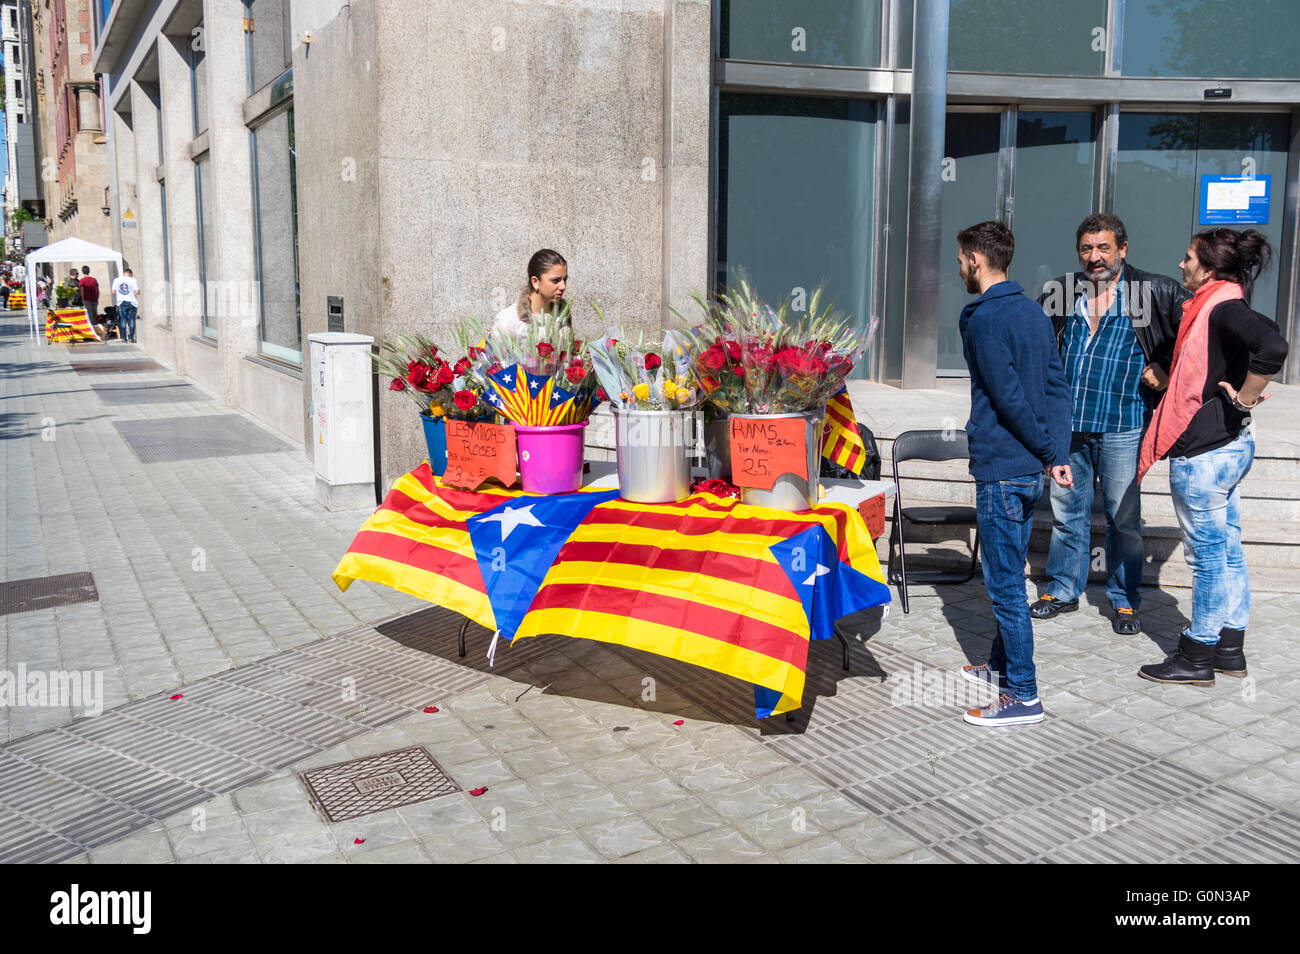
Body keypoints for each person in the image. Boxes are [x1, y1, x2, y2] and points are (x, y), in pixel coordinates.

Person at [1136, 228, 1288, 686]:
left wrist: (1244, 398)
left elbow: (1273, 346)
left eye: (1188, 259)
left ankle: (1197, 655)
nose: (1181, 265)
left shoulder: (1221, 308)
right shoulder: (1218, 306)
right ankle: (1229, 648)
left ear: (1209, 268)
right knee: (1228, 551)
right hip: (1230, 447)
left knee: (1207, 560)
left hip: (1204, 454)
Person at [1033, 214, 1189, 635]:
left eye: (1103, 248)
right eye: (1087, 248)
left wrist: (1167, 370)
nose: (1094, 257)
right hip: (1070, 427)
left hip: (1124, 425)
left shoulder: (1154, 291)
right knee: (1067, 513)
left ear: (1123, 249)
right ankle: (1062, 588)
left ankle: (1123, 599)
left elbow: (1194, 339)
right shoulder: (1061, 292)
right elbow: (1038, 347)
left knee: (1123, 519)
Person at [955, 221, 1073, 727]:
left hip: (1005, 467)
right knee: (1013, 573)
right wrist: (1057, 453)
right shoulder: (1031, 312)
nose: (959, 267)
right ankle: (1000, 665)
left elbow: (1009, 399)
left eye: (961, 259)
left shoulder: (984, 319)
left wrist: (1049, 451)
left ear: (977, 260)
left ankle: (1022, 696)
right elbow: (1056, 387)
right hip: (1029, 469)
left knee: (1005, 586)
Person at [492, 249, 570, 338]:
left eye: (565, 280)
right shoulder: (508, 321)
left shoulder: (563, 316)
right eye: (555, 280)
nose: (563, 286)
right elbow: (495, 351)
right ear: (535, 282)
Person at [113, 268, 141, 343]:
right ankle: (131, 338)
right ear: (130, 273)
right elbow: (137, 292)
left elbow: (113, 291)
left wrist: (120, 294)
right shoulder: (133, 280)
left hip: (121, 302)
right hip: (132, 302)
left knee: (123, 320)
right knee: (131, 320)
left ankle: (123, 338)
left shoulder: (116, 280)